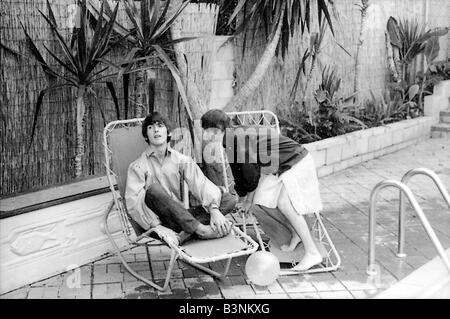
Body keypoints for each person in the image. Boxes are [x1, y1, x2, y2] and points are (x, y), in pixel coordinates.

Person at [201, 109, 324, 271]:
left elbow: (251, 176)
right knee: (271, 200)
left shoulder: (236, 139)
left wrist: (247, 201)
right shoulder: (232, 138)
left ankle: (312, 253)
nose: (205, 136)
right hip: (283, 165)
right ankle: (296, 234)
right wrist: (243, 198)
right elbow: (239, 172)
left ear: (218, 128)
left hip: (295, 161)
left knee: (284, 204)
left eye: (207, 130)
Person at [125, 112, 235, 247]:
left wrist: (213, 209)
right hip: (161, 222)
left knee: (228, 199)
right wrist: (157, 226)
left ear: (168, 132)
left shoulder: (181, 160)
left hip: (184, 217)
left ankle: (186, 233)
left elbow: (200, 184)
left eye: (160, 125)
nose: (156, 130)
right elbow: (134, 202)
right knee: (153, 190)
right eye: (150, 127)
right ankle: (201, 230)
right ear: (146, 135)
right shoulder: (137, 166)